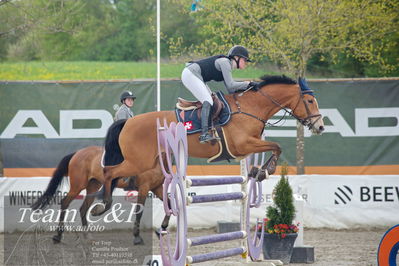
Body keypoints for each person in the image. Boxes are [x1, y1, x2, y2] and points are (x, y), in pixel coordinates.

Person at [181, 45, 254, 143]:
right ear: (237, 58)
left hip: (196, 76)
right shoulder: (225, 63)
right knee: (208, 101)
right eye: (244, 60)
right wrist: (247, 84)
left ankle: (209, 129)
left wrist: (248, 88)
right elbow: (231, 85)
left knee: (213, 100)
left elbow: (230, 90)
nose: (245, 63)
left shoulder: (227, 65)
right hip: (190, 74)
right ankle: (204, 134)